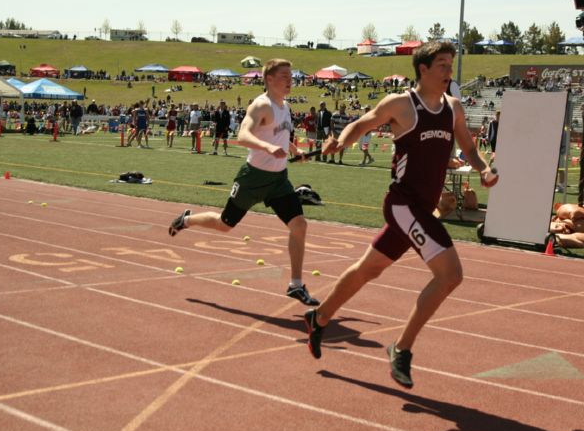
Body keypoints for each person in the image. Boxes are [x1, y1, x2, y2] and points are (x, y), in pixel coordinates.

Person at [302, 41, 499, 388]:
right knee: (450, 274)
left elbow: (468, 146)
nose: (448, 72)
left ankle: (319, 317)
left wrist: (482, 169)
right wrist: (342, 140)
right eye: (441, 65)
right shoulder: (401, 104)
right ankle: (401, 348)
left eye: (450, 65)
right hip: (402, 204)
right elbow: (363, 124)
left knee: (369, 269)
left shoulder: (453, 108)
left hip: (421, 209)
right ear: (422, 69)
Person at [168, 58, 319, 306]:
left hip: (278, 181)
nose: (290, 81)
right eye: (284, 76)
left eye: (291, 76)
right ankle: (185, 220)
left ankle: (295, 284)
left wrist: (293, 150)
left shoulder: (285, 106)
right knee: (225, 224)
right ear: (269, 79)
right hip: (252, 178)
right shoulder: (261, 105)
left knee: (299, 225)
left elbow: (280, 133)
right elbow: (244, 135)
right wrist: (267, 147)